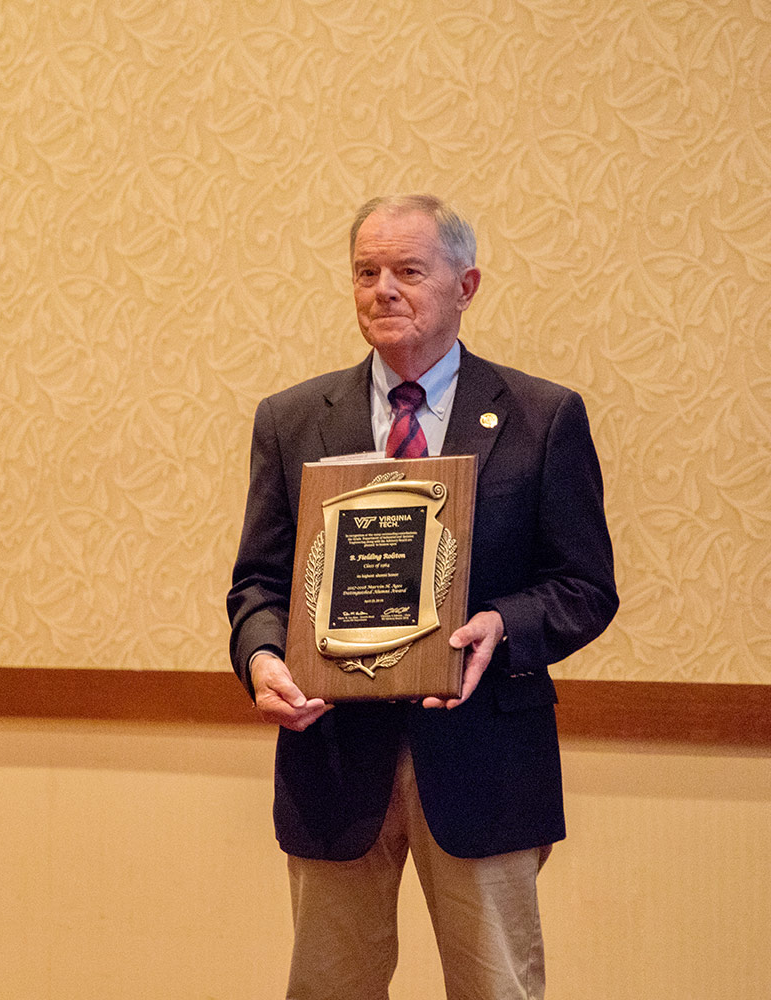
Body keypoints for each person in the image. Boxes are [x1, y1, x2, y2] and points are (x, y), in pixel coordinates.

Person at [227, 194, 616, 1000]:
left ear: (466, 284)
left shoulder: (542, 418)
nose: (383, 290)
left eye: (408, 271)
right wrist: (263, 656)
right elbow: (258, 585)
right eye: (366, 272)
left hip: (485, 758)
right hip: (333, 755)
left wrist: (502, 625)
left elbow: (584, 587)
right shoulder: (293, 420)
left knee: (497, 989)